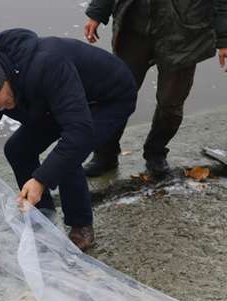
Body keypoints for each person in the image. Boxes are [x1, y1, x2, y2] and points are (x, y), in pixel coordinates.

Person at [0, 28, 137, 251]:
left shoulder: (48, 65)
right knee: (18, 149)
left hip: (107, 98)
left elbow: (78, 134)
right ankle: (42, 216)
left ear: (5, 79)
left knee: (68, 157)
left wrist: (41, 179)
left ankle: (81, 227)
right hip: (57, 103)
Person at [83, 0, 227, 177]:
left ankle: (156, 153)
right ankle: (105, 155)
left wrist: (224, 38)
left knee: (171, 102)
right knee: (117, 93)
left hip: (185, 33)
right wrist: (96, 14)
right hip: (134, 29)